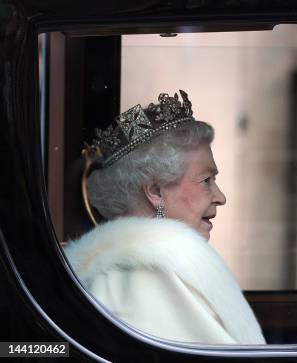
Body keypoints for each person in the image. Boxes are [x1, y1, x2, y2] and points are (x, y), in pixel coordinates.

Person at [64, 90, 265, 345]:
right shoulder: (151, 277)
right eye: (206, 180)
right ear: (156, 191)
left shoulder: (124, 271)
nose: (220, 196)